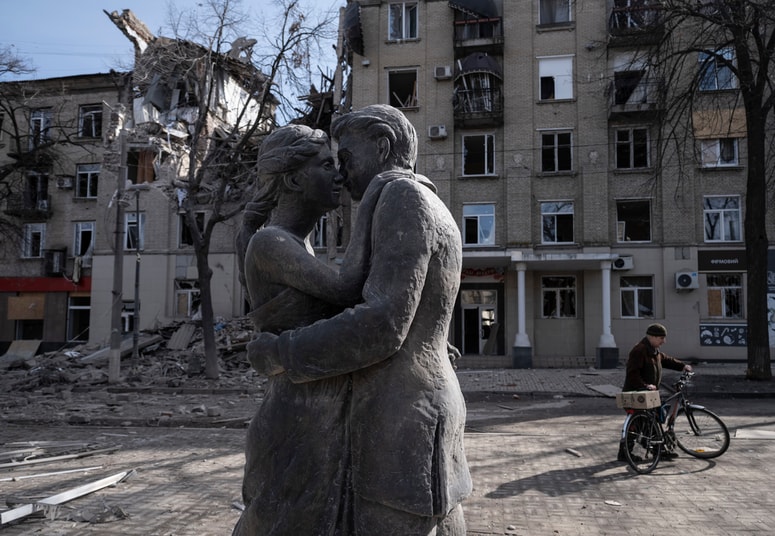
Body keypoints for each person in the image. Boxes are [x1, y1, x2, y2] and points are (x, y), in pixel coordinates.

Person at [247, 104, 472, 534]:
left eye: (346, 158)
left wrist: (281, 352)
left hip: (402, 423)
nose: (342, 173)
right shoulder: (415, 199)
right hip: (399, 422)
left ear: (382, 146)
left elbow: (382, 324)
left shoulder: (401, 196)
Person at [232, 124, 381, 535]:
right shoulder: (271, 244)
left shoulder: (300, 246)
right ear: (296, 178)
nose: (340, 175)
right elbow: (348, 288)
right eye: (327, 165)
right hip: (296, 418)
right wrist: (374, 201)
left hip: (319, 413)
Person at [617, 322, 693, 462]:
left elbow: (667, 360)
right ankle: (624, 454)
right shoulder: (639, 350)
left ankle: (658, 450)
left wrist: (683, 366)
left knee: (650, 423)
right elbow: (632, 373)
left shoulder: (654, 351)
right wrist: (645, 385)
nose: (664, 341)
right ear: (652, 337)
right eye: (661, 338)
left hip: (648, 394)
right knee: (637, 425)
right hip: (636, 394)